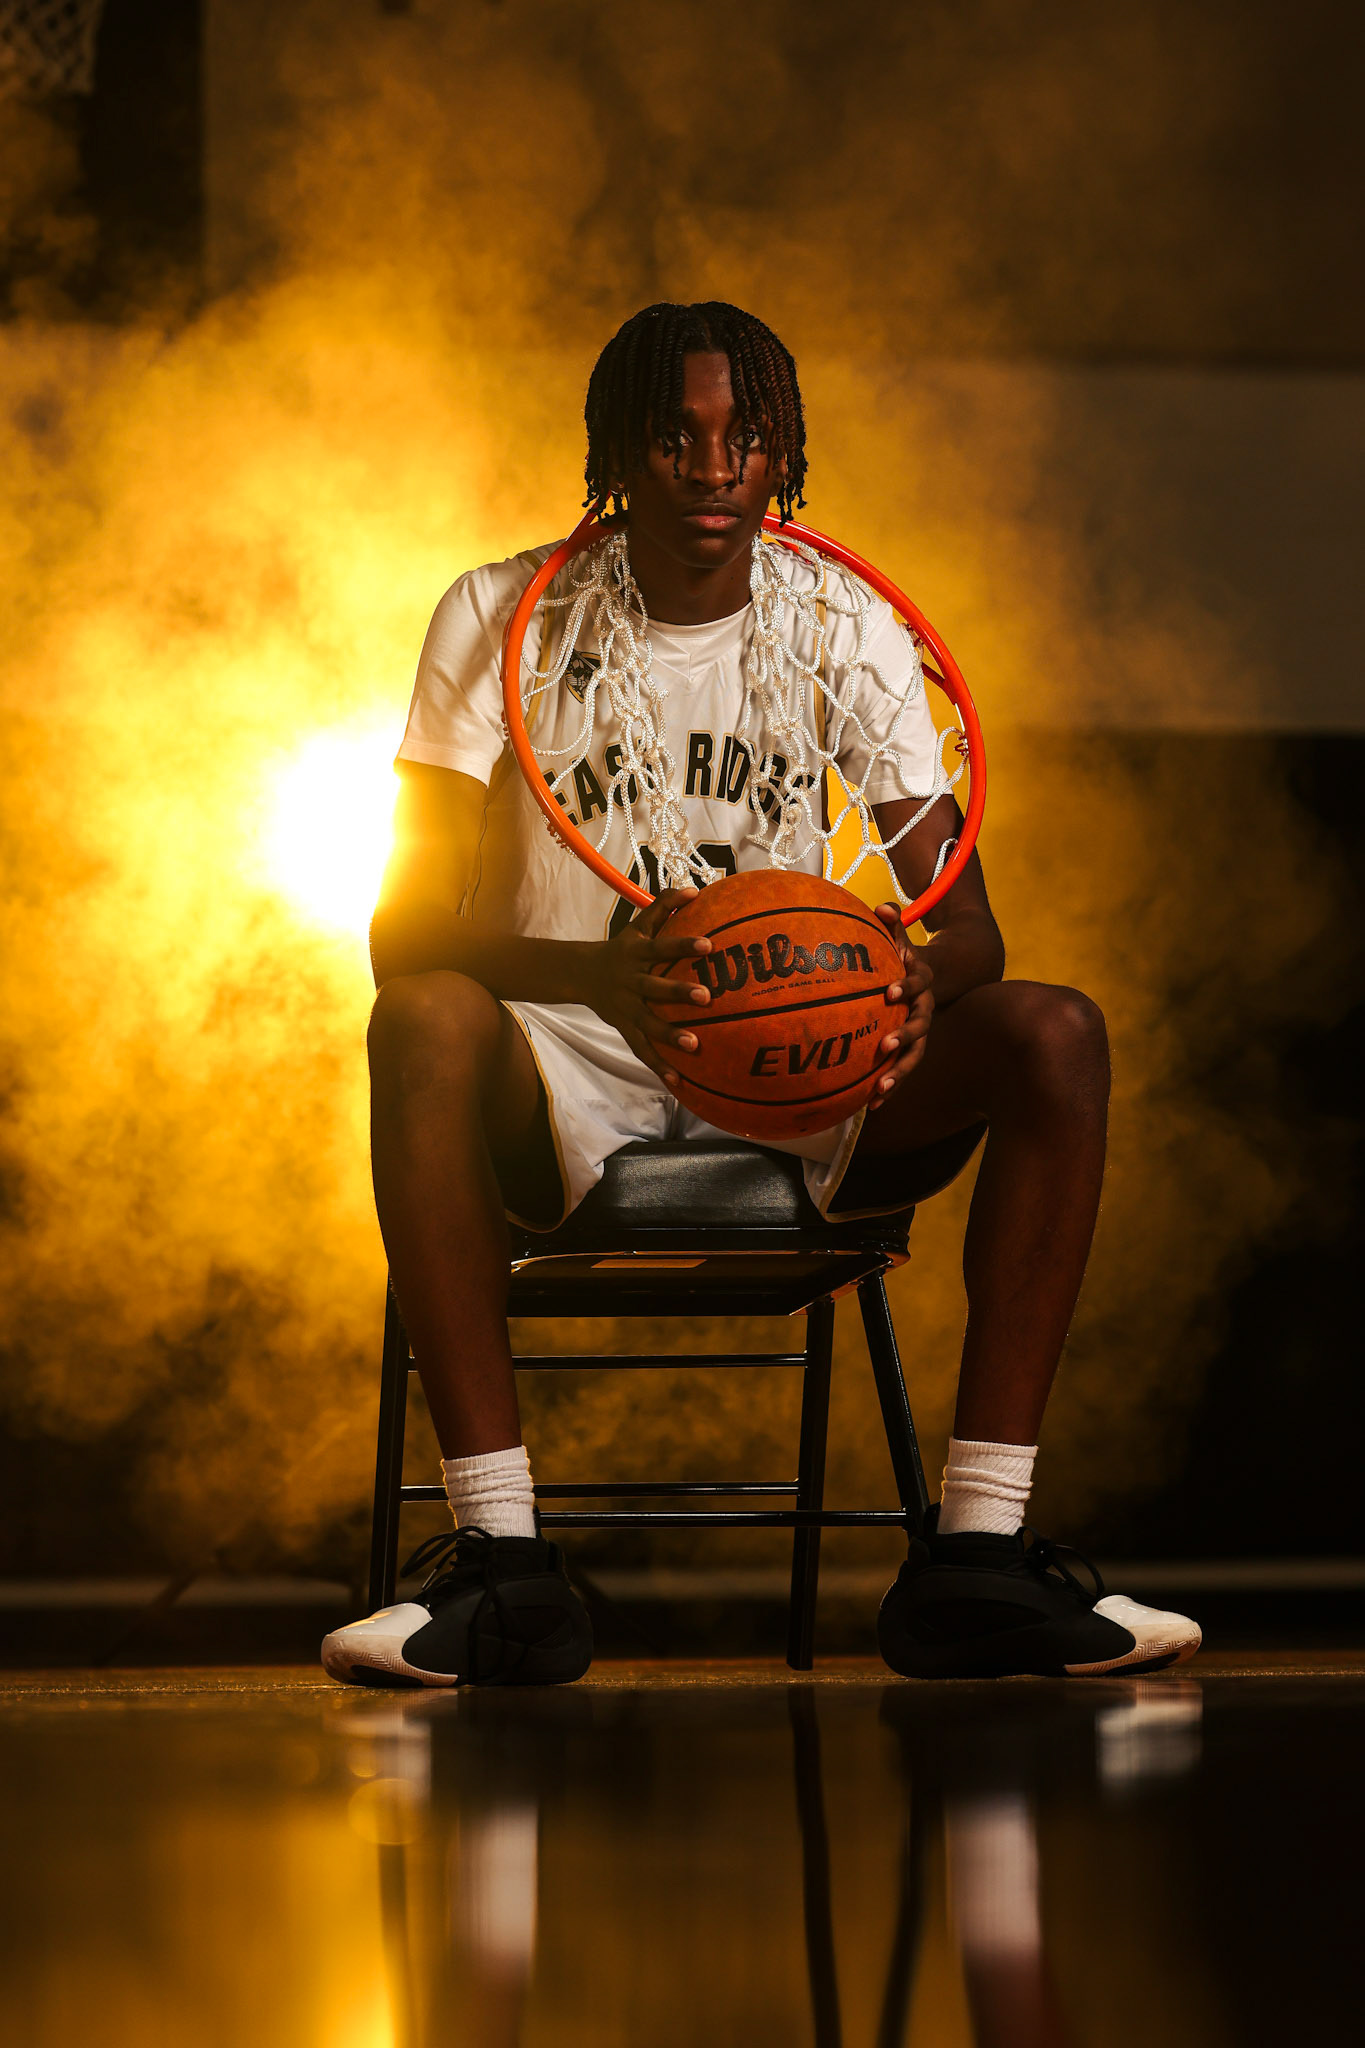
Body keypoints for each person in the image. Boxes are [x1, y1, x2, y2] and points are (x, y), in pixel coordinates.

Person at [321, 301, 1200, 1689]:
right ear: (620, 454)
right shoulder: (498, 613)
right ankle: (502, 1567)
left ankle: (976, 1560)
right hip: (565, 1063)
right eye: (675, 436)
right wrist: (599, 976)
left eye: (745, 438)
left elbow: (970, 927)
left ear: (783, 454)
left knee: (1055, 1032)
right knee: (420, 1015)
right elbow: (404, 932)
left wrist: (915, 979)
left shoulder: (841, 624)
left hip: (799, 1065)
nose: (712, 468)